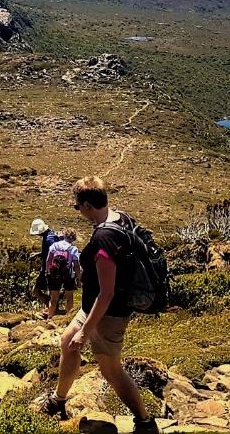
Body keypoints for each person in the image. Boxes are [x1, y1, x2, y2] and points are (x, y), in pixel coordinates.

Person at [42, 176, 158, 434]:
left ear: (86, 206)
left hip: (109, 313)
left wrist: (86, 332)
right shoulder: (120, 218)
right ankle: (58, 401)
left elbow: (106, 293)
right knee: (67, 342)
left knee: (110, 369)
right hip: (93, 308)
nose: (78, 211)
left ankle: (145, 421)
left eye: (77, 206)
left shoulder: (104, 238)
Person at [44, 229, 81, 318]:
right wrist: (78, 278)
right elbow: (76, 265)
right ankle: (68, 318)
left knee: (53, 299)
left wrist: (47, 271)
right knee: (69, 298)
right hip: (68, 275)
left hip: (54, 274)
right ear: (73, 238)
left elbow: (48, 260)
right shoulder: (73, 249)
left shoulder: (54, 245)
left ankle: (50, 318)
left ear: (64, 236)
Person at [29, 217, 63, 308]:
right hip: (51, 268)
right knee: (50, 291)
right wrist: (38, 254)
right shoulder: (51, 235)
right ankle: (52, 307)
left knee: (37, 291)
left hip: (48, 269)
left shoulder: (48, 239)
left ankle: (51, 308)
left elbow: (51, 254)